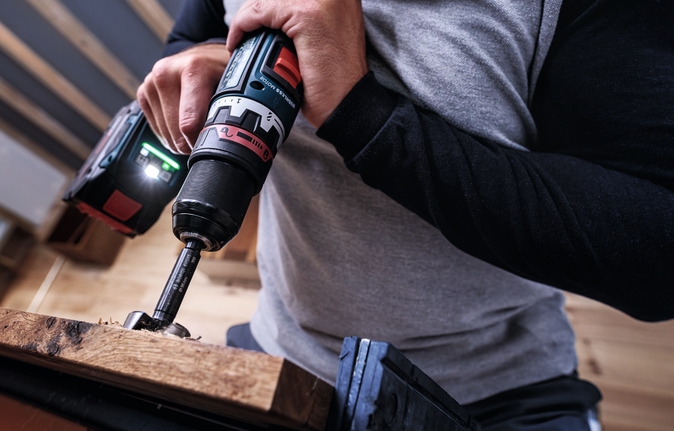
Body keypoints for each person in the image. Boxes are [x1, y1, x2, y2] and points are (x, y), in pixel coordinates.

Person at [137, 0, 674, 429]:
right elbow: (192, 33)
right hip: (283, 347)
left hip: (489, 389)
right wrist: (210, 55)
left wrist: (361, 112)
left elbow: (656, 255)